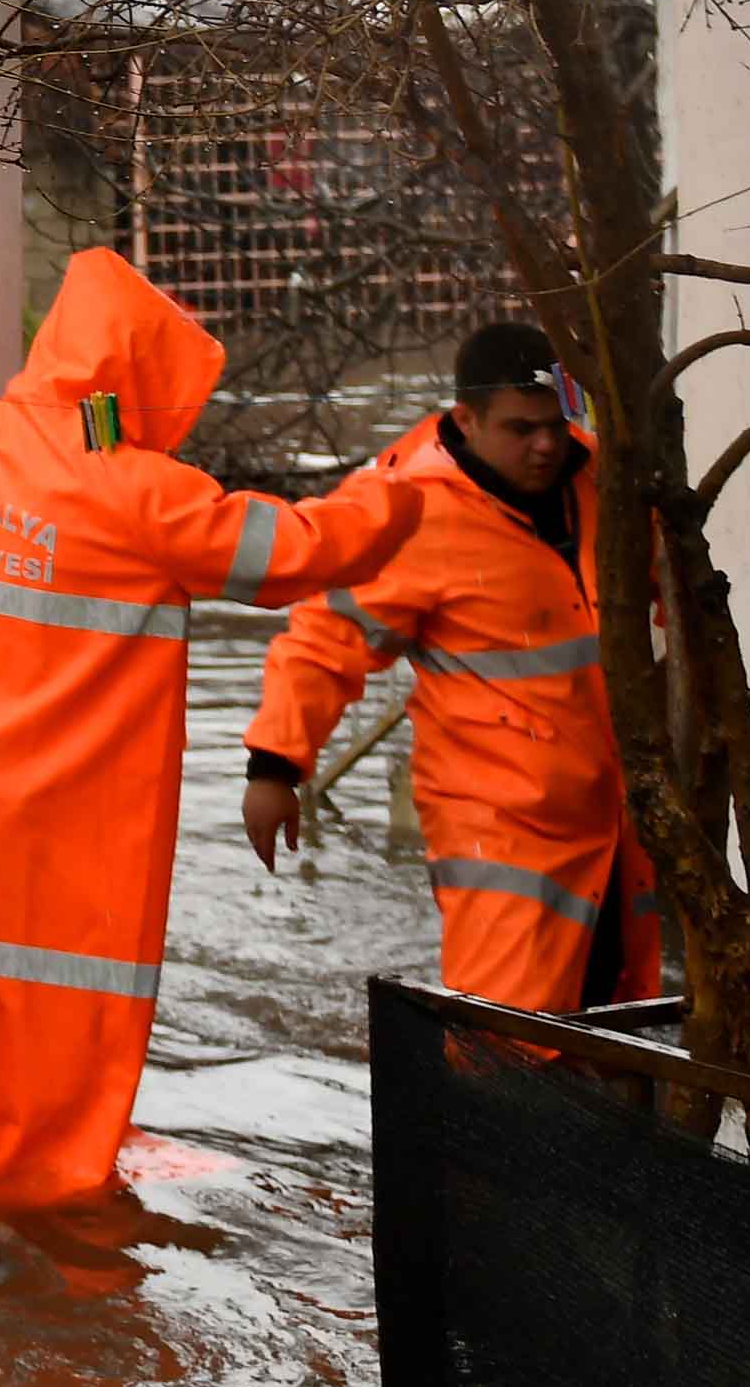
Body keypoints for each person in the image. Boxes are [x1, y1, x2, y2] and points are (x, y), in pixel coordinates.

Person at [0, 247, 423, 1211]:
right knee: (49, 1006)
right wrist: (403, 478)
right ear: (142, 377)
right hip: (57, 832)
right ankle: (45, 1183)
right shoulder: (143, 496)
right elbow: (302, 554)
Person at [239, 321, 669, 1011]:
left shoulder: (598, 479)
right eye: (521, 428)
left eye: (556, 425)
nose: (546, 444)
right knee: (508, 1028)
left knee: (619, 1009)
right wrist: (274, 768)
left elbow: (669, 587)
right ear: (467, 419)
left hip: (615, 814)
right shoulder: (406, 509)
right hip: (498, 825)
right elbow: (324, 639)